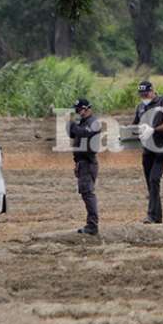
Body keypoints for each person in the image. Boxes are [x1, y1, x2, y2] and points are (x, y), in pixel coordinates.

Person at [133, 81, 163, 224]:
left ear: (153, 91)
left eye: (146, 94)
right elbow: (135, 126)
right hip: (148, 150)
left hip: (162, 148)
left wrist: (154, 129)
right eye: (141, 95)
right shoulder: (140, 107)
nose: (144, 97)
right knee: (150, 184)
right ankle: (157, 217)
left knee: (154, 179)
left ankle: (152, 215)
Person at [68, 99, 102, 235]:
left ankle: (92, 225)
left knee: (88, 193)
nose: (77, 113)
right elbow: (72, 133)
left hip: (88, 162)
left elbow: (83, 133)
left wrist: (71, 122)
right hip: (82, 162)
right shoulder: (82, 122)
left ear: (86, 109)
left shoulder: (93, 122)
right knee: (85, 193)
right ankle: (91, 224)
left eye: (78, 110)